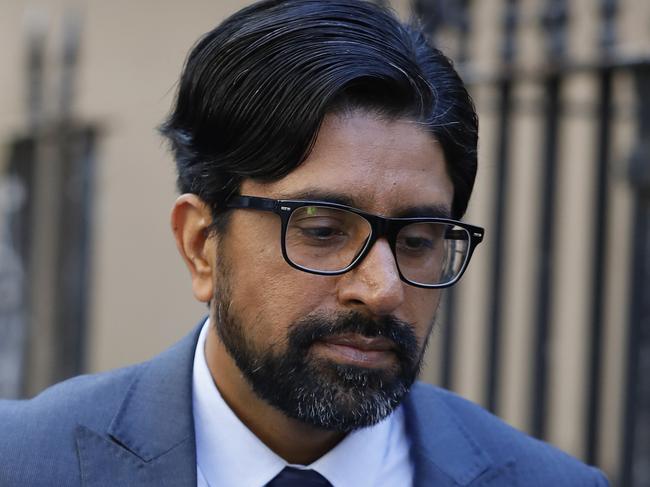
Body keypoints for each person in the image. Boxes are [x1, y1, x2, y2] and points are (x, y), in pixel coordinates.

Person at [0, 1, 608, 486]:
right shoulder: (25, 463)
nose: (382, 289)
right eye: (322, 230)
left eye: (418, 240)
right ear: (201, 244)